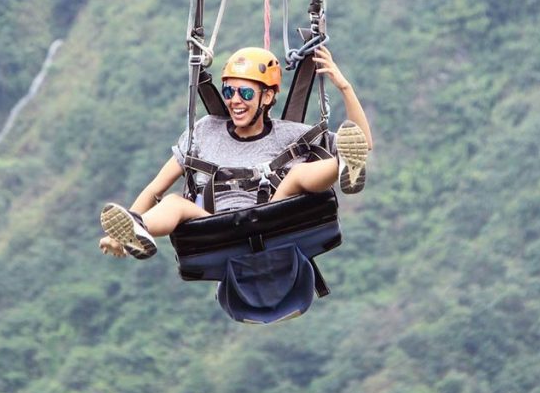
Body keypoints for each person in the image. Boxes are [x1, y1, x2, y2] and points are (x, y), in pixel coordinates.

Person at [98, 45, 373, 259]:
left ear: (267, 97)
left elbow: (364, 142)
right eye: (229, 91)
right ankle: (137, 230)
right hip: (218, 226)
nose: (234, 101)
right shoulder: (206, 131)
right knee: (173, 202)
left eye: (245, 94)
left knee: (297, 174)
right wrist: (122, 230)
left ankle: (345, 165)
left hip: (272, 215)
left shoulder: (290, 134)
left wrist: (344, 87)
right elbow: (154, 189)